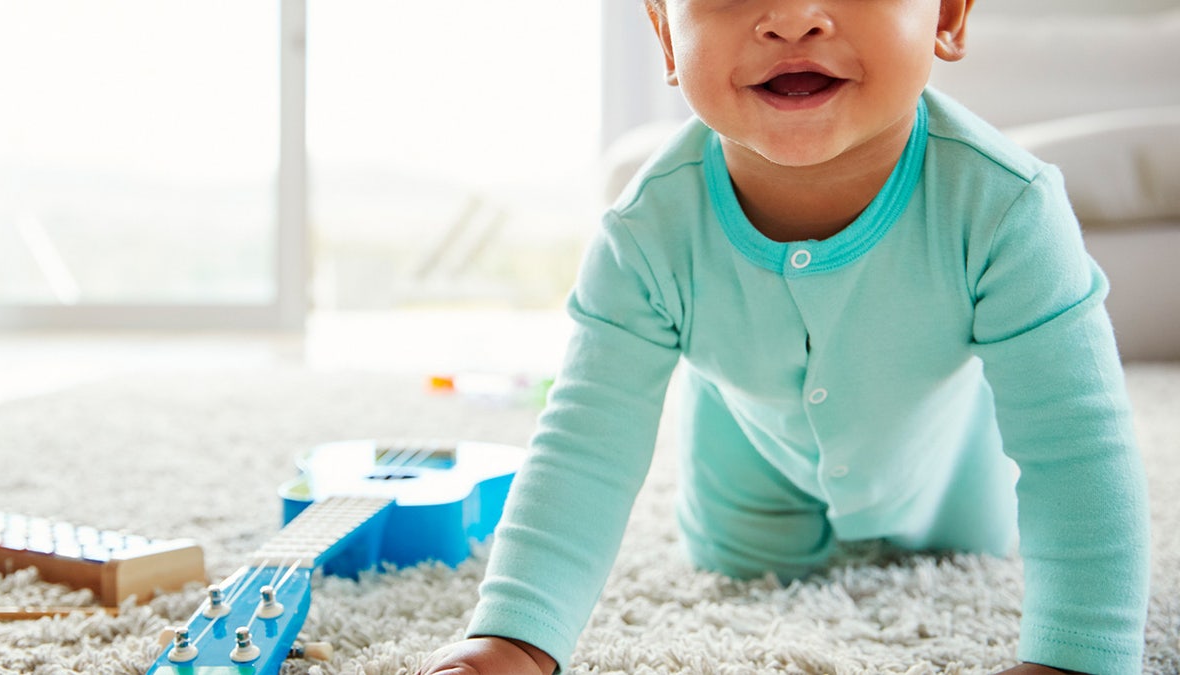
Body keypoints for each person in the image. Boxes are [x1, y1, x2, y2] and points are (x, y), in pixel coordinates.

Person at [418, 0, 1151, 672]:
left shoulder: (1008, 208)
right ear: (667, 34)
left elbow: (1077, 442)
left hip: (952, 503)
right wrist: (515, 634)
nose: (794, 17)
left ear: (949, 16)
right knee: (745, 570)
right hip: (744, 519)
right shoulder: (647, 230)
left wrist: (1079, 652)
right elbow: (585, 443)